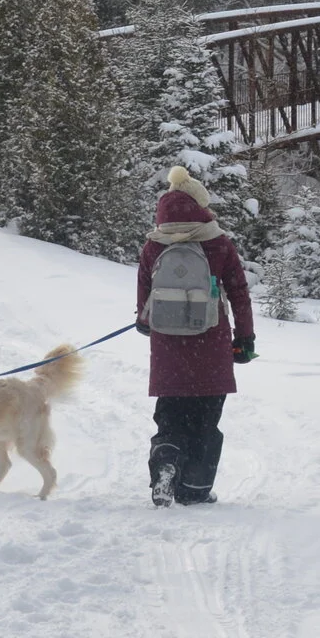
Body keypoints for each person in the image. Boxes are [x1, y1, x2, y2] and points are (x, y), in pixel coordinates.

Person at [135, 166, 256, 506]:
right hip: (211, 344)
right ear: (200, 206)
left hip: (167, 347)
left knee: (170, 416)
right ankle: (195, 490)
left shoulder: (152, 246)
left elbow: (144, 298)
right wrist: (245, 339)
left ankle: (166, 465)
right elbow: (239, 293)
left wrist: (146, 324)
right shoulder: (217, 243)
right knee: (205, 419)